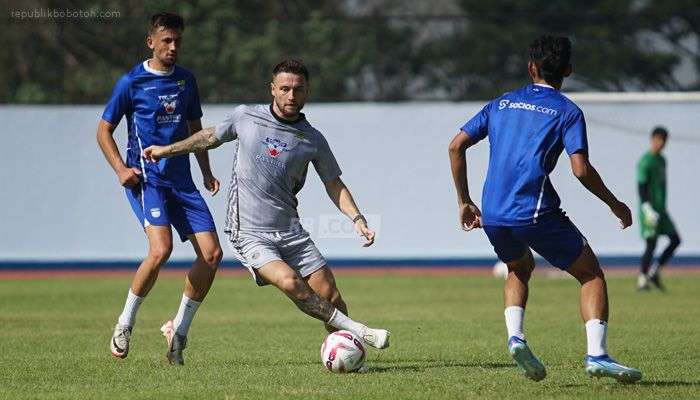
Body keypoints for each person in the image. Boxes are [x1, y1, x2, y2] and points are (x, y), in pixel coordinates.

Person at [142, 59, 390, 367]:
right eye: (284, 88)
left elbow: (334, 184)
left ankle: (351, 357)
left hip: (290, 230)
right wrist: (167, 150)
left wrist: (358, 219)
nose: (291, 96)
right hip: (247, 231)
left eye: (298, 89)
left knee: (331, 297)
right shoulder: (246, 116)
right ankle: (361, 331)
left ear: (307, 91)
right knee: (288, 282)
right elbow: (209, 136)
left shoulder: (312, 139)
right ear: (272, 89)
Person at [448, 35, 641, 383]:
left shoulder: (502, 103)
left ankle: (516, 338)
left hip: (492, 213)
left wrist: (464, 201)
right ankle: (597, 355)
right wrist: (616, 204)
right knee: (591, 274)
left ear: (531, 68)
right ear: (567, 70)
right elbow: (580, 169)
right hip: (534, 210)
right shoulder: (568, 111)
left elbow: (455, 146)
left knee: (518, 267)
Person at [97, 12, 223, 366]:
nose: (173, 47)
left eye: (178, 41)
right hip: (147, 180)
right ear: (151, 42)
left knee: (212, 255)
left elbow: (195, 129)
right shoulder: (131, 82)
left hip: (182, 181)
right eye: (166, 40)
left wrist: (206, 173)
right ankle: (125, 323)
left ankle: (177, 331)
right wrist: (121, 169)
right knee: (161, 250)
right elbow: (103, 131)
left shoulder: (186, 81)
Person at [636, 127, 681, 291]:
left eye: (664, 140)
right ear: (653, 139)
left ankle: (654, 271)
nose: (662, 143)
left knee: (675, 240)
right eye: (659, 139)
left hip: (662, 210)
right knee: (651, 244)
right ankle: (642, 281)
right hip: (649, 209)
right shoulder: (645, 161)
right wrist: (647, 207)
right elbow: (642, 186)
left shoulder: (662, 160)